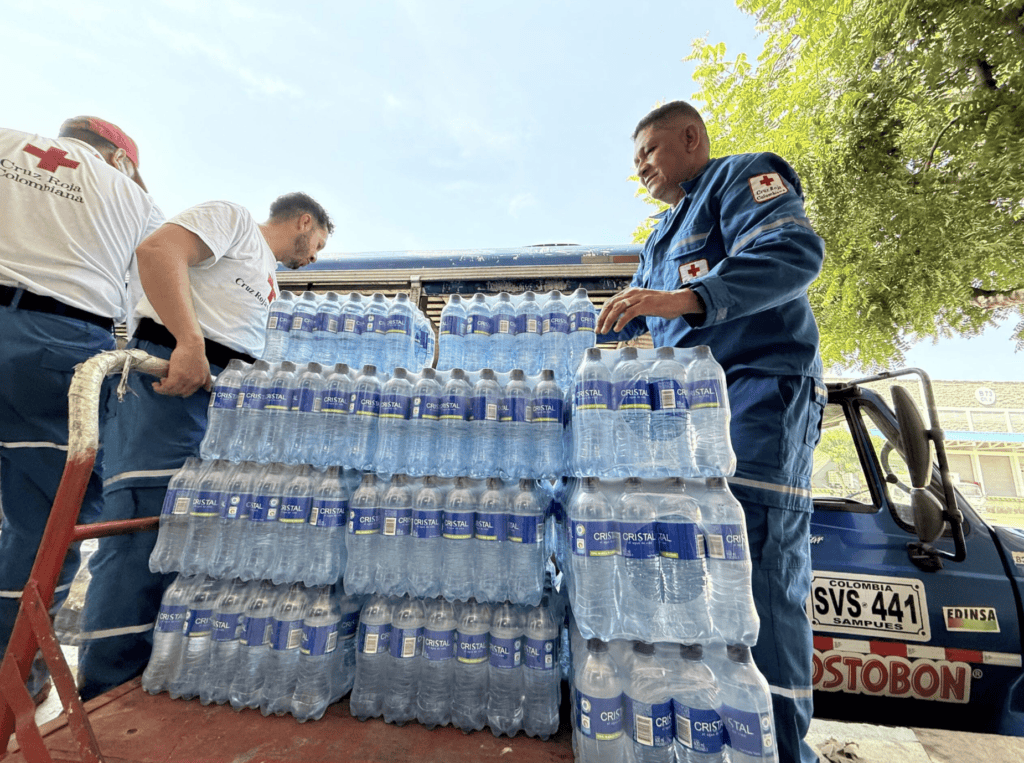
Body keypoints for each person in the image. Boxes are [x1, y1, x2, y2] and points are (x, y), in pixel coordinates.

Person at [596, 101, 826, 763]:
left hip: (757, 393)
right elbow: (643, 322)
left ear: (690, 137)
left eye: (649, 152)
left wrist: (680, 299)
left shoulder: (744, 178)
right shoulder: (662, 237)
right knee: (697, 584)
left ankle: (784, 750)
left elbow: (793, 254)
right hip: (687, 417)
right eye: (635, 160)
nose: (640, 168)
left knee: (754, 572)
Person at [76, 193, 334, 700]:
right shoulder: (233, 220)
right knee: (142, 525)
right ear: (304, 222)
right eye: (317, 245)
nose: (314, 258)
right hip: (171, 379)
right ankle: (107, 686)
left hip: (219, 400)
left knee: (190, 535)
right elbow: (158, 252)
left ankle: (154, 673)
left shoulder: (268, 279)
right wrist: (188, 342)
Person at [0, 116, 162, 702]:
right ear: (121, 159)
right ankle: (15, 678)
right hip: (56, 344)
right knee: (46, 519)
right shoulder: (132, 197)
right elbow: (157, 289)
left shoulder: (6, 140)